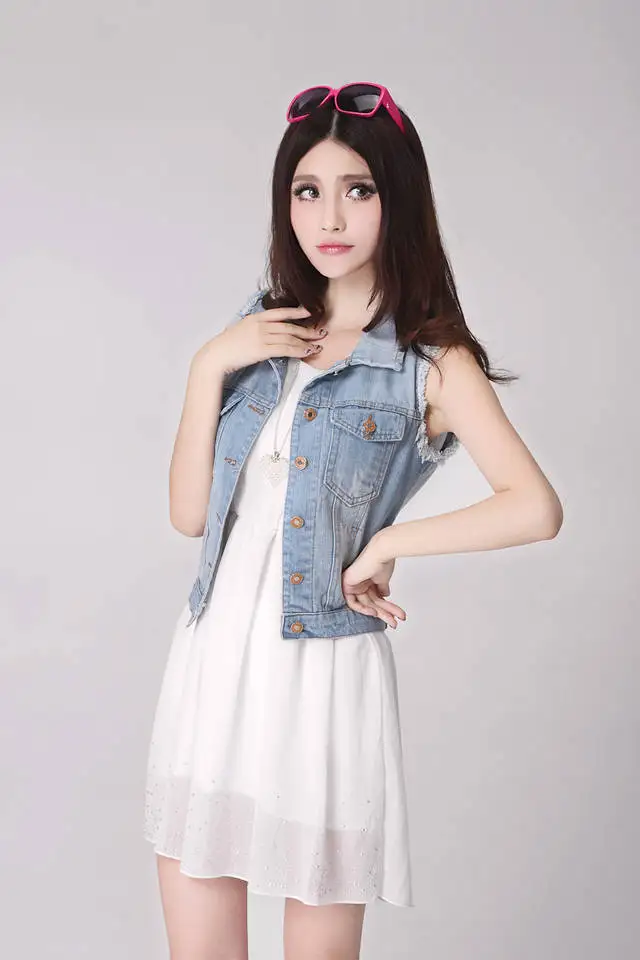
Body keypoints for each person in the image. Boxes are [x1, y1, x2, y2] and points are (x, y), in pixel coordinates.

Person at [143, 83, 563, 959]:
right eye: (308, 190)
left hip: (322, 673)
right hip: (215, 660)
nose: (330, 216)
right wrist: (206, 367)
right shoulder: (258, 332)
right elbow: (190, 516)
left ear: (395, 199)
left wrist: (389, 542)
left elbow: (535, 506)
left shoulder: (428, 362)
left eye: (358, 190)